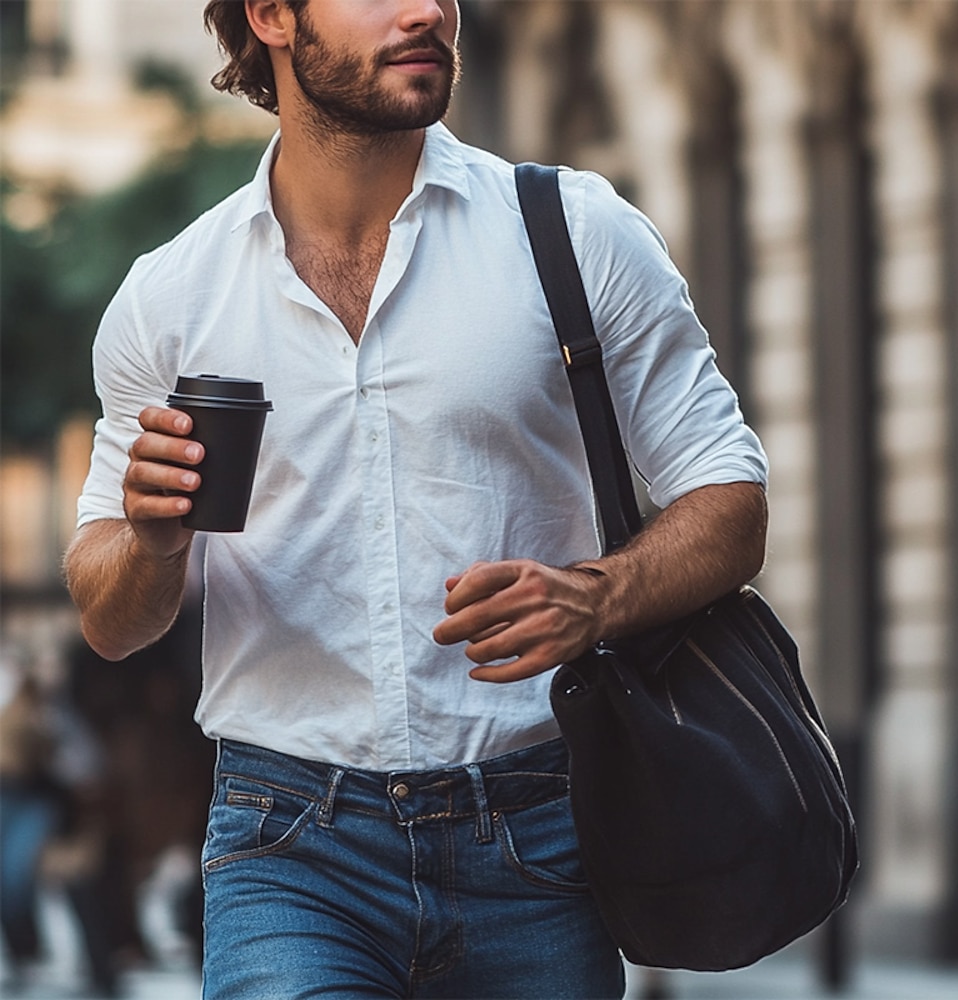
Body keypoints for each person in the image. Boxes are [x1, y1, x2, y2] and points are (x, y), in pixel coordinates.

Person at [63, 1, 769, 997]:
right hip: (288, 841)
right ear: (270, 16)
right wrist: (152, 541)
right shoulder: (171, 295)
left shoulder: (574, 234)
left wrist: (598, 594)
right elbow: (110, 618)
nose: (428, 9)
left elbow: (729, 496)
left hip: (539, 832)